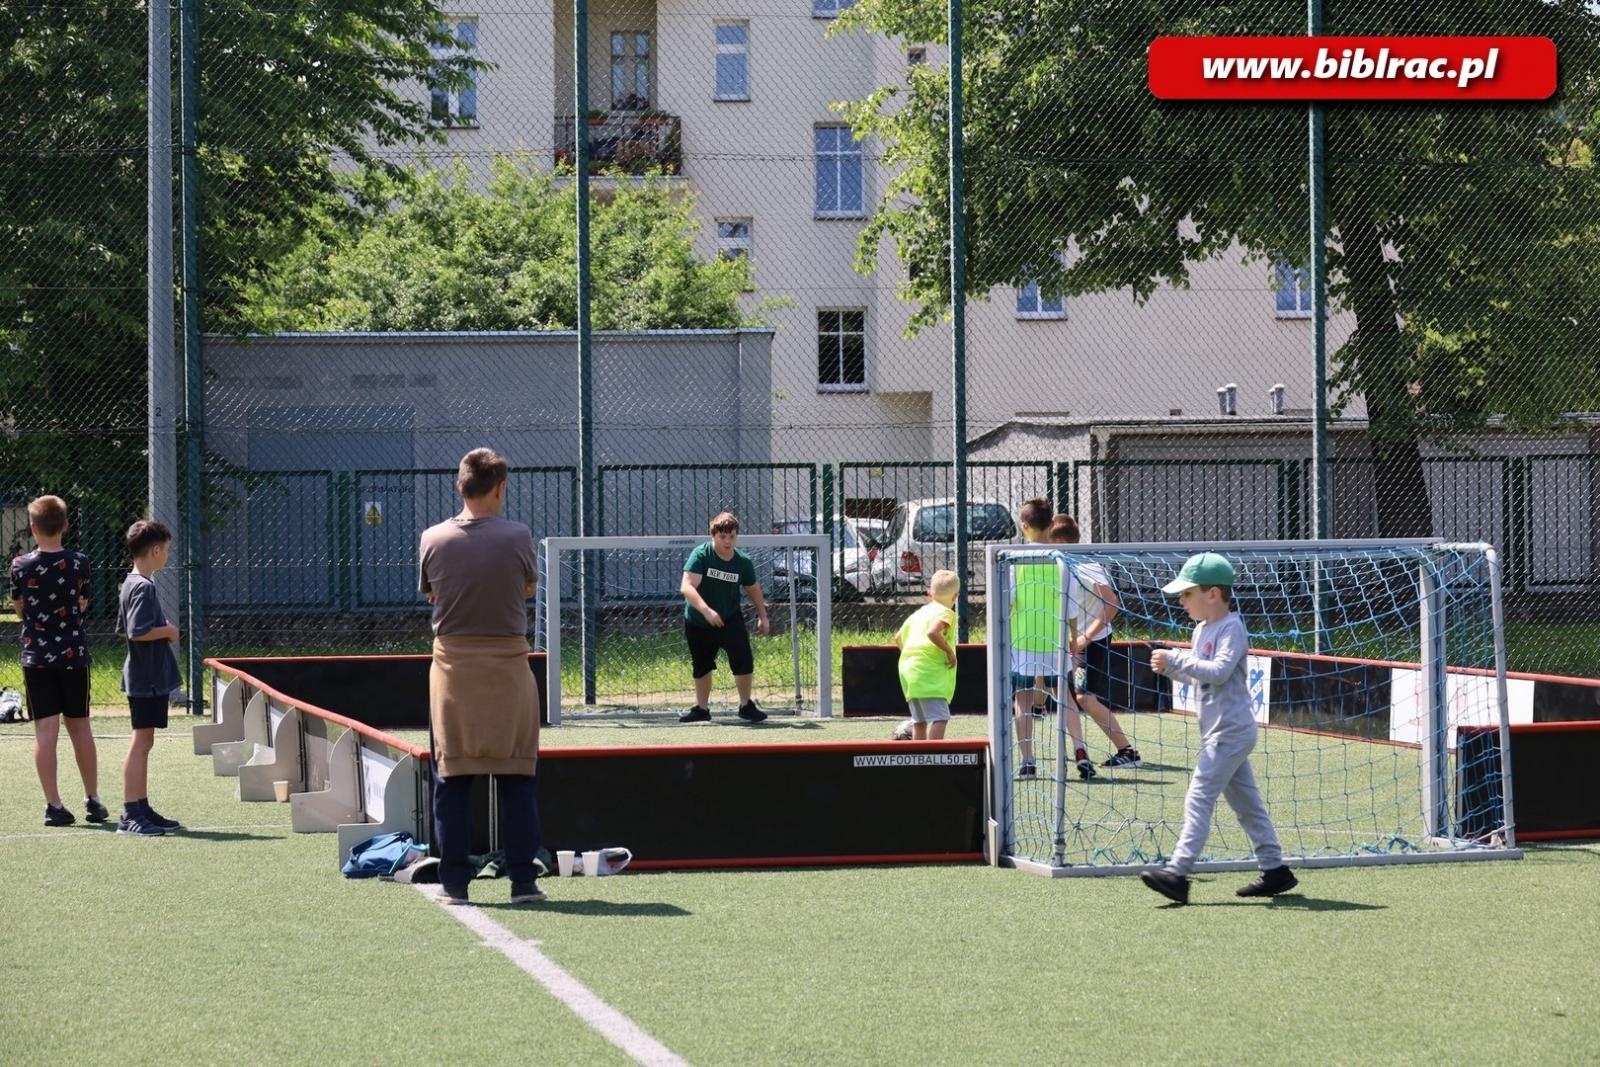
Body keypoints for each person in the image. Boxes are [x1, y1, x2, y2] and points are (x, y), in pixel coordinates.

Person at [419, 448, 546, 906]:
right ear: (500, 488)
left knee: (451, 780)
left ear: (460, 486)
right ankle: (522, 882)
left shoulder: (433, 539)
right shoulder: (518, 536)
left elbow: (431, 594)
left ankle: (454, 883)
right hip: (509, 669)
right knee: (517, 779)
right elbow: (527, 586)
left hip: (452, 673)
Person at [1143, 552, 1297, 904]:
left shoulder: (1232, 628)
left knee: (1198, 798)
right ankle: (1275, 870)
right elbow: (1201, 677)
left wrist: (1176, 657)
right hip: (1220, 732)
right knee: (1248, 805)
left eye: (1187, 593)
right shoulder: (1201, 629)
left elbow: (1220, 671)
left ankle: (1177, 873)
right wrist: (1172, 669)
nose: (1181, 601)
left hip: (1231, 732)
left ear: (1212, 594)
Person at [8, 495, 106, 828]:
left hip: (36, 657)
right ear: (65, 525)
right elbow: (82, 603)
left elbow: (19, 609)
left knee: (45, 731)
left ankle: (54, 805)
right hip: (73, 655)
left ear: (33, 527)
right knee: (80, 726)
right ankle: (93, 799)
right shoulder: (79, 562)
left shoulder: (20, 565)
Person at [1048, 515, 1142, 769]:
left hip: (1093, 642)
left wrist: (1083, 639)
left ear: (1059, 542)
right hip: (1074, 642)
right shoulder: (1061, 566)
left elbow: (1112, 603)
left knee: (1084, 697)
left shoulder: (1085, 567)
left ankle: (1127, 751)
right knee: (1061, 690)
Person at [1010, 498, 1094, 780]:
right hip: (1055, 640)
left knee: (1023, 700)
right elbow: (1072, 606)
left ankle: (1028, 762)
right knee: (1065, 697)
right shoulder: (1062, 560)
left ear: (1024, 526)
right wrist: (1073, 638)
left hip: (1024, 640)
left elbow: (1008, 601)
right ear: (1050, 524)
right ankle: (1080, 750)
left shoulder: (1015, 559)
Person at [114, 520, 185, 835]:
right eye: (166, 550)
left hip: (146, 676)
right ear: (155, 551)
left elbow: (124, 629)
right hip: (146, 678)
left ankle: (141, 807)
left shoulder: (131, 583)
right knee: (141, 743)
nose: (167, 555)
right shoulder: (143, 586)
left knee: (145, 742)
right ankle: (130, 813)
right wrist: (168, 631)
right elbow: (136, 631)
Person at [678, 512, 771, 723]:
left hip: (729, 618)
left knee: (743, 658)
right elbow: (686, 586)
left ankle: (746, 706)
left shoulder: (742, 561)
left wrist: (763, 616)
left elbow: (753, 588)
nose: (728, 541)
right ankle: (701, 709)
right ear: (713, 535)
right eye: (722, 537)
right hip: (699, 620)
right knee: (701, 664)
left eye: (732, 536)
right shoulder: (701, 555)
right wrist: (706, 611)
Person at [895, 569, 959, 740]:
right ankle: (934, 753)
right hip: (928, 674)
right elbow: (933, 632)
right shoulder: (946, 613)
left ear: (930, 593)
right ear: (955, 597)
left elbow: (898, 637)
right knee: (941, 717)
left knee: (919, 721)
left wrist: (911, 656)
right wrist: (949, 652)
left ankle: (919, 754)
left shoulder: (919, 613)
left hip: (908, 671)